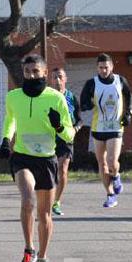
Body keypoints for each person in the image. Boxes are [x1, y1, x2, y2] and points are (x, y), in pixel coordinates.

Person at [0, 54, 74, 262]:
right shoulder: (14, 96)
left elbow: (70, 134)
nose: (31, 76)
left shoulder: (56, 98)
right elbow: (10, 120)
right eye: (27, 72)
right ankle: (29, 247)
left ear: (44, 72)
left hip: (47, 160)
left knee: (44, 215)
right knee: (27, 199)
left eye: (35, 72)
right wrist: (5, 140)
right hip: (22, 157)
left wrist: (58, 124)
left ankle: (42, 259)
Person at [79, 53, 132, 208]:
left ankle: (116, 176)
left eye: (106, 67)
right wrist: (87, 105)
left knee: (111, 161)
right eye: (101, 68)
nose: (103, 70)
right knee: (101, 163)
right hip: (98, 127)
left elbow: (129, 97)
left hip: (115, 126)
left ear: (112, 67)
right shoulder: (92, 83)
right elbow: (83, 101)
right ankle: (110, 195)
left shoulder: (120, 80)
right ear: (97, 68)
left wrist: (128, 113)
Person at [48, 67, 81, 215]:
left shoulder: (72, 98)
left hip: (66, 138)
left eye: (60, 77)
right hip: (49, 138)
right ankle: (47, 197)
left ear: (65, 79)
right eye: (54, 77)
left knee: (63, 169)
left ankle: (56, 201)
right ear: (50, 80)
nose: (57, 80)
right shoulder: (46, 97)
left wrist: (75, 130)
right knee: (50, 171)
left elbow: (79, 120)